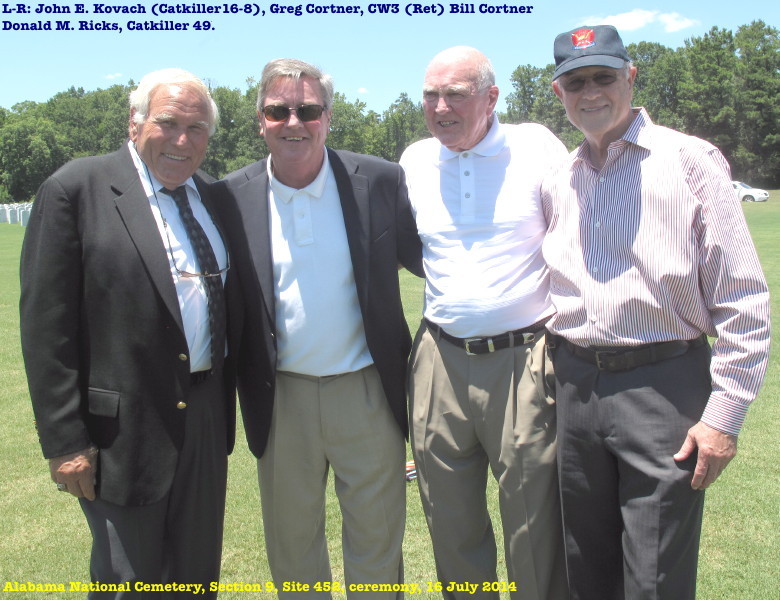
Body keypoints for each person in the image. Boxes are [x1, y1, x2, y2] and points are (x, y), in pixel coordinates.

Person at [542, 25, 771, 600]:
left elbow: (743, 297)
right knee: (585, 568)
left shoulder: (689, 160)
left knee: (654, 576)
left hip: (663, 389)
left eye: (603, 76)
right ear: (558, 92)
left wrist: (723, 417)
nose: (590, 91)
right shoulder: (559, 177)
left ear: (631, 76)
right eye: (576, 81)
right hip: (574, 387)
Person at [19, 68, 241, 598]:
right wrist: (66, 441)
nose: (182, 139)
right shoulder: (76, 189)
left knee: (197, 575)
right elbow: (46, 328)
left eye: (198, 127)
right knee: (130, 580)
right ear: (135, 122)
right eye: (168, 122)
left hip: (206, 416)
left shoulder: (215, 196)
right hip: (121, 431)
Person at [213, 58, 422, 598]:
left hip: (367, 392)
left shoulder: (378, 180)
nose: (293, 122)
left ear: (328, 117)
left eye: (307, 110)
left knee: (377, 546)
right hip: (281, 398)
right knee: (293, 550)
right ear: (259, 119)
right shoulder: (229, 196)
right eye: (278, 110)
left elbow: (433, 261)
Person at [399, 46, 569, 600]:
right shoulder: (415, 160)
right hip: (439, 356)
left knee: (532, 521)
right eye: (431, 94)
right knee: (448, 517)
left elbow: (574, 236)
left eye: (456, 94)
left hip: (524, 359)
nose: (440, 106)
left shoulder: (536, 146)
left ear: (491, 97)